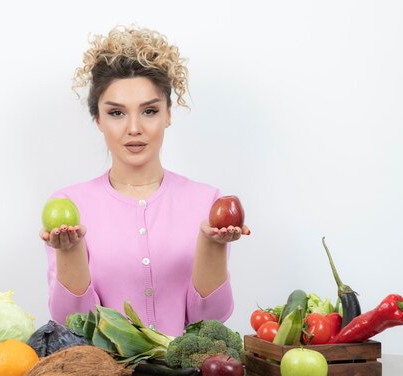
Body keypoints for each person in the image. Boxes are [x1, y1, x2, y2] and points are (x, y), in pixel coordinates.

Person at [41, 26, 249, 337]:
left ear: (168, 114)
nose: (134, 128)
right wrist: (70, 252)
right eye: (116, 113)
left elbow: (211, 320)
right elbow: (74, 324)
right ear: (98, 119)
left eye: (149, 111)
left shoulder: (207, 202)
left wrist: (212, 245)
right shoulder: (69, 206)